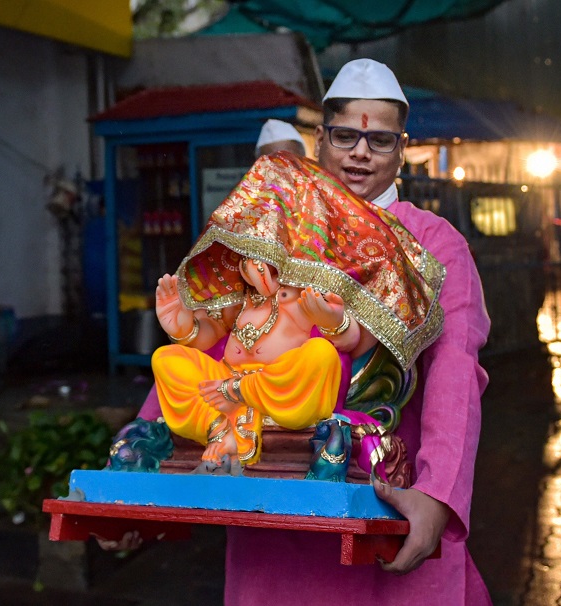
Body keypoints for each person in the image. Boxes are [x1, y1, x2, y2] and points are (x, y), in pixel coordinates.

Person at [105, 59, 493, 605]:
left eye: (379, 141)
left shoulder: (434, 240)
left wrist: (437, 494)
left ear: (401, 148)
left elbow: (456, 372)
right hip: (271, 509)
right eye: (346, 136)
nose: (360, 152)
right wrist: (134, 481)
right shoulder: (271, 228)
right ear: (320, 137)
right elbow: (215, 346)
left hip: (386, 504)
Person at [151, 151, 444, 469]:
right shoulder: (240, 298)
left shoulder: (298, 293)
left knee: (320, 355)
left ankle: (245, 405)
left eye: (265, 258)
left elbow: (347, 342)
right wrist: (180, 326)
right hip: (224, 385)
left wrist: (332, 320)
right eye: (249, 257)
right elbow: (208, 337)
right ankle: (218, 426)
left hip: (275, 391)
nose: (257, 268)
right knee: (167, 360)